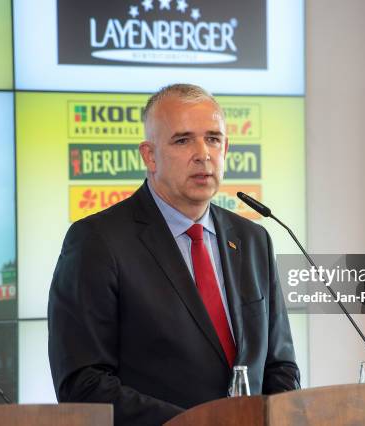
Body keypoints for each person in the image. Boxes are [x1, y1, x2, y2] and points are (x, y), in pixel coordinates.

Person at [48, 84, 300, 425]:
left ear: (226, 148)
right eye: (183, 140)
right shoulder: (98, 241)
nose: (203, 153)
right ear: (150, 156)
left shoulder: (254, 239)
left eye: (213, 139)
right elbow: (83, 383)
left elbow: (279, 365)